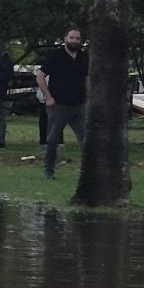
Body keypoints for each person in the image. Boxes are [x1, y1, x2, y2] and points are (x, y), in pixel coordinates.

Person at [36, 27, 88, 180]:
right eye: (72, 38)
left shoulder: (84, 57)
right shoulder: (55, 56)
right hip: (59, 106)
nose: (75, 41)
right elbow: (40, 76)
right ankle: (49, 171)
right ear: (65, 38)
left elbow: (88, 78)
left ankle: (89, 172)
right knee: (53, 140)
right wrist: (48, 97)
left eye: (77, 38)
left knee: (86, 140)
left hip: (79, 105)